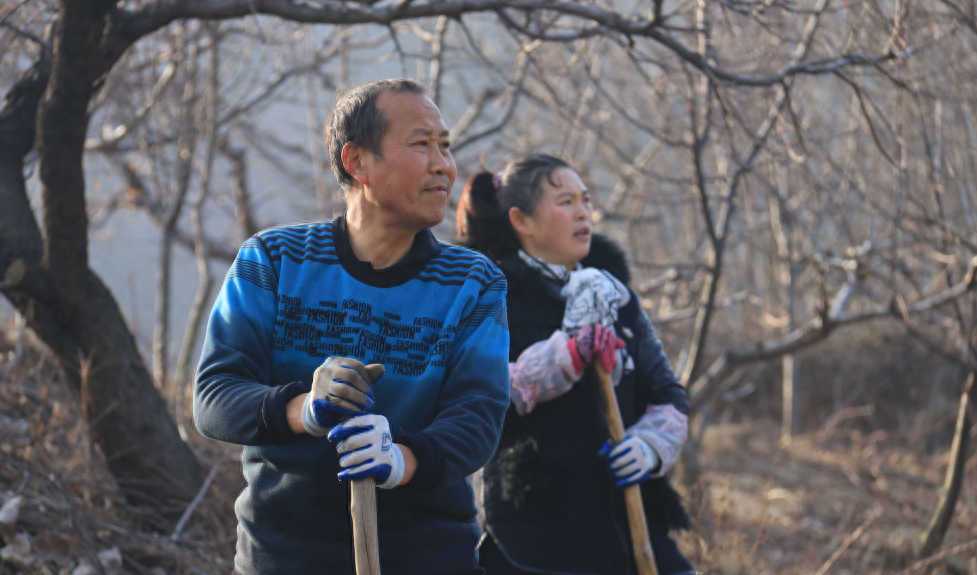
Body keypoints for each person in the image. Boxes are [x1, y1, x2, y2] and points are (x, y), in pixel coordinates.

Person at [194, 79, 511, 575]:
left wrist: (399, 459)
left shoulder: (473, 283)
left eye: (445, 147)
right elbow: (214, 396)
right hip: (283, 556)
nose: (443, 165)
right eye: (421, 144)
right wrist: (306, 410)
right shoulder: (275, 261)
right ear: (357, 161)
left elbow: (478, 416)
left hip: (430, 558)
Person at [457, 155, 694, 575]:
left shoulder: (614, 296)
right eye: (566, 201)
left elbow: (667, 394)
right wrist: (565, 356)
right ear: (521, 220)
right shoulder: (491, 300)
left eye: (586, 200)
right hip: (536, 533)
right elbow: (486, 398)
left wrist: (650, 446)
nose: (584, 212)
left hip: (631, 525)